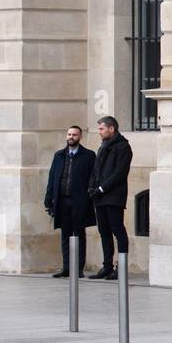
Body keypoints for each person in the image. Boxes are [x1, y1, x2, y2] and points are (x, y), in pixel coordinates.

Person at [43, 126, 96, 277]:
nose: (71, 137)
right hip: (62, 200)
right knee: (65, 234)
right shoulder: (59, 155)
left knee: (79, 233)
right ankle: (66, 267)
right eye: (69, 134)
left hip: (80, 201)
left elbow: (92, 177)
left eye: (74, 135)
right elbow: (52, 177)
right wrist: (49, 198)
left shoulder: (89, 156)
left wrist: (89, 195)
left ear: (80, 137)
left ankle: (78, 268)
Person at [87, 115, 133, 281]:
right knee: (103, 231)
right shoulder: (103, 146)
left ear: (111, 129)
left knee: (117, 231)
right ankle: (107, 267)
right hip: (99, 197)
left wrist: (101, 188)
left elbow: (120, 173)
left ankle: (121, 268)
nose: (99, 132)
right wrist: (91, 187)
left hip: (113, 197)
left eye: (101, 129)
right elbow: (96, 169)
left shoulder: (123, 147)